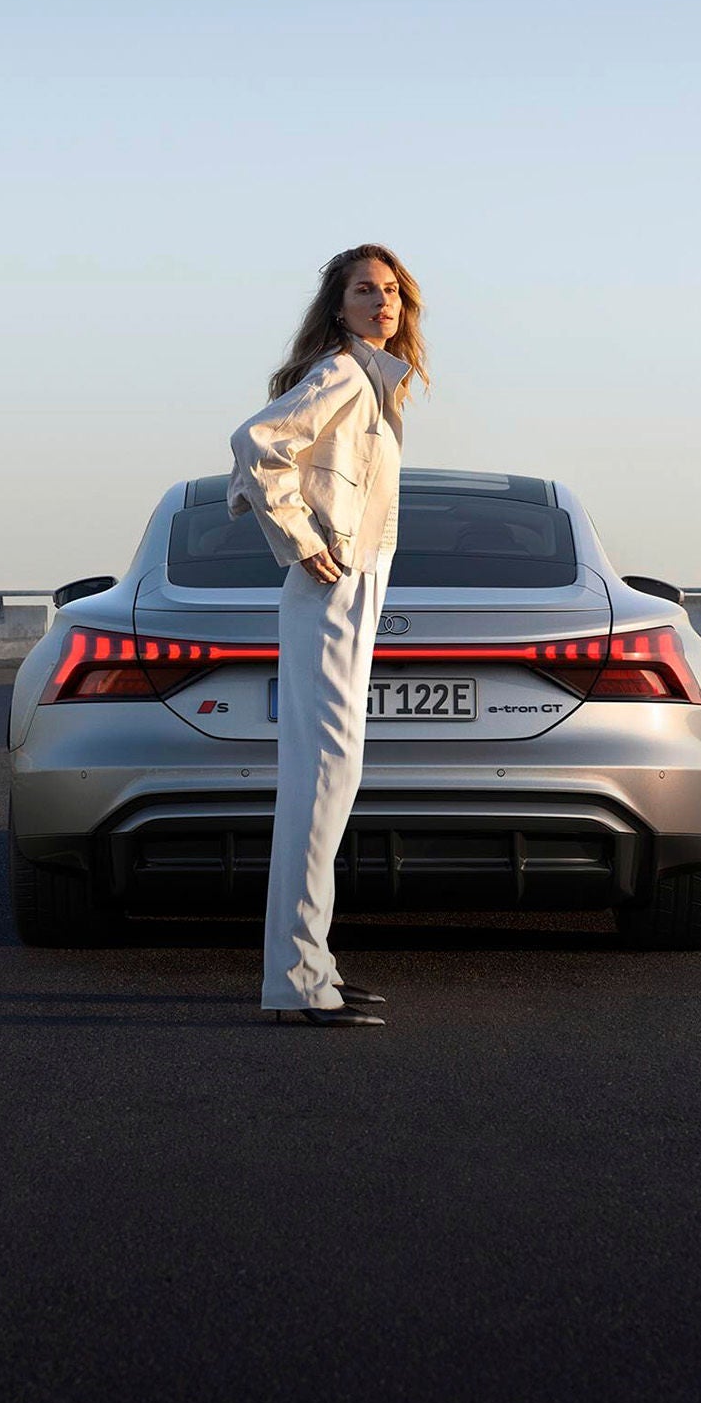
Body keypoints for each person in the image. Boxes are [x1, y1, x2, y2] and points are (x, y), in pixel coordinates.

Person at [226, 244, 430, 1026]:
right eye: (364, 291)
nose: (382, 303)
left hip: (357, 585)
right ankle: (298, 983)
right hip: (334, 586)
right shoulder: (344, 375)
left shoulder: (376, 385)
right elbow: (256, 443)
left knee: (326, 786)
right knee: (321, 785)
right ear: (337, 305)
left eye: (392, 293)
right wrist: (301, 541)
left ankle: (313, 966)